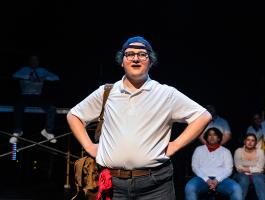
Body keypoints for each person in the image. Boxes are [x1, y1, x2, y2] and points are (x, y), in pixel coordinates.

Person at [66, 36, 212, 199]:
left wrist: (176, 144)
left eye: (142, 54)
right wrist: (88, 146)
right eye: (129, 54)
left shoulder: (165, 93)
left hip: (156, 186)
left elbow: (203, 116)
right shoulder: (107, 92)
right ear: (122, 61)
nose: (136, 58)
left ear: (150, 61)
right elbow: (74, 115)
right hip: (114, 186)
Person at [9, 55, 59, 144]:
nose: (34, 62)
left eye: (35, 60)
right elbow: (14, 75)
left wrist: (44, 77)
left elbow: (56, 77)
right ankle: (17, 131)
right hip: (25, 95)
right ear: (29, 61)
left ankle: (48, 131)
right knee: (18, 106)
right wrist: (28, 77)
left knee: (51, 108)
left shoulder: (42, 70)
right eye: (32, 60)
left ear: (38, 62)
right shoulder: (24, 69)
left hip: (37, 96)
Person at [185, 127, 242, 200]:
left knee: (236, 188)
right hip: (201, 179)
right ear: (206, 137)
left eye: (215, 135)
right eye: (209, 135)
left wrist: (217, 180)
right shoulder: (199, 149)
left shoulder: (225, 151)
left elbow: (229, 169)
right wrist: (207, 179)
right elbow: (195, 167)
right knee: (190, 187)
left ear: (219, 138)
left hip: (221, 180)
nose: (212, 137)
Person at [233, 133, 265, 200]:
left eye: (253, 140)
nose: (250, 142)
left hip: (257, 175)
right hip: (241, 174)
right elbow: (239, 168)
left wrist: (246, 169)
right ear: (244, 141)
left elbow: (260, 168)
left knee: (258, 179)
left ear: (255, 143)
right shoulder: (238, 151)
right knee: (243, 179)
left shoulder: (260, 152)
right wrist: (255, 169)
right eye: (248, 140)